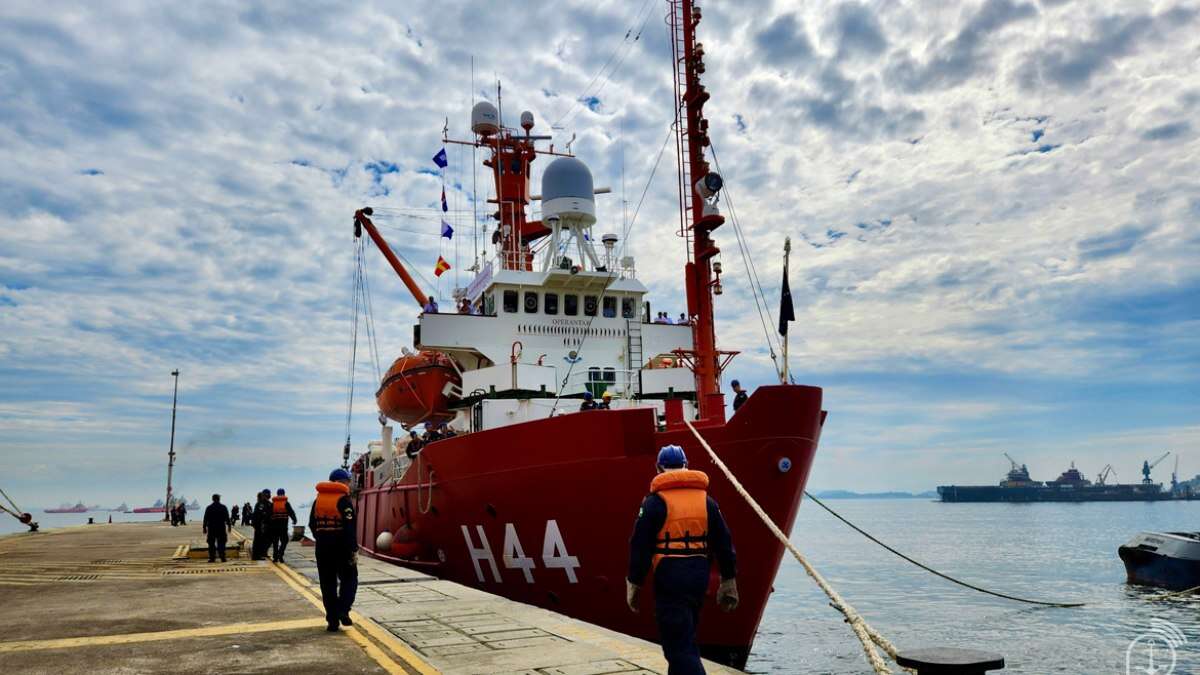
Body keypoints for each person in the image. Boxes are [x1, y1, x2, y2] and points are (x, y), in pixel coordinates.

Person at [626, 445, 738, 675]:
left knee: (678, 646)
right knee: (685, 634)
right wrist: (729, 580)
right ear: (686, 465)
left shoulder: (654, 502)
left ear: (658, 468)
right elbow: (724, 543)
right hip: (699, 575)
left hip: (670, 576)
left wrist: (634, 583)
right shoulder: (708, 502)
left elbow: (640, 546)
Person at [310, 468, 358, 632]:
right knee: (350, 578)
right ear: (343, 482)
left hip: (322, 548)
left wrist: (322, 538)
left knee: (327, 583)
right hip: (342, 547)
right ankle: (343, 610)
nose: (350, 484)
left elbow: (312, 524)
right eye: (348, 481)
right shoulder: (344, 500)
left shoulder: (318, 500)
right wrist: (353, 549)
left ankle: (332, 620)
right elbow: (349, 527)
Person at [202, 494, 232, 563]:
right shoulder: (223, 507)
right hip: (221, 527)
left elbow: (205, 518)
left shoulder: (209, 507)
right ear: (219, 499)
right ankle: (222, 557)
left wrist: (204, 527)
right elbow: (227, 518)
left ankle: (212, 558)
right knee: (221, 543)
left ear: (212, 499)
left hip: (212, 528)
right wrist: (229, 526)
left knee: (211, 544)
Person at [270, 488, 298, 563]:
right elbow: (291, 512)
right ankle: (280, 554)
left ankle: (275, 557)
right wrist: (294, 520)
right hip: (283, 526)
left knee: (275, 542)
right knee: (285, 541)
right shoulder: (286, 503)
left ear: (277, 494)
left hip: (274, 526)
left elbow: (268, 515)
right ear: (284, 494)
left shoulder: (273, 504)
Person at [251, 489, 272, 560]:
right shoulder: (261, 504)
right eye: (268, 494)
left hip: (267, 525)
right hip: (260, 525)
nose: (269, 495)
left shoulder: (268, 503)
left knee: (267, 540)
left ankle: (263, 553)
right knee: (258, 540)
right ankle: (256, 556)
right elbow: (259, 515)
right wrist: (259, 525)